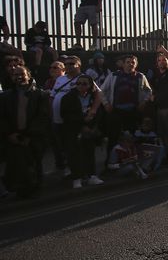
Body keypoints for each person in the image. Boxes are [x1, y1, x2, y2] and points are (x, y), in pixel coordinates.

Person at [0, 66, 49, 198]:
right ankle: (19, 189)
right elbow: (2, 117)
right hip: (13, 136)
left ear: (28, 75)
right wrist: (10, 134)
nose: (19, 77)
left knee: (34, 162)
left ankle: (35, 190)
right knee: (15, 164)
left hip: (34, 137)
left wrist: (29, 135)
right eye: (15, 75)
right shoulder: (5, 96)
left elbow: (43, 116)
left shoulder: (40, 94)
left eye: (22, 74)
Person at [51, 56, 102, 176]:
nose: (68, 66)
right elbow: (52, 96)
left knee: (78, 147)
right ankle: (69, 167)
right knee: (63, 145)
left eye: (71, 64)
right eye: (66, 64)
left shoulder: (84, 79)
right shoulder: (60, 79)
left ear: (78, 65)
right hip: (58, 119)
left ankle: (83, 171)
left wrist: (93, 110)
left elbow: (98, 93)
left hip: (75, 120)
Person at [100, 55, 152, 162]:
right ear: (123, 64)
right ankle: (110, 163)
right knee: (113, 138)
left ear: (136, 64)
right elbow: (102, 91)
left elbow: (148, 91)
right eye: (128, 62)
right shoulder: (113, 75)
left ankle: (132, 161)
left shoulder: (140, 76)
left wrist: (144, 102)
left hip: (133, 112)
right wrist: (106, 104)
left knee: (132, 138)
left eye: (133, 62)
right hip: (116, 111)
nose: (130, 64)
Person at [60, 74, 104, 188]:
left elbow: (98, 113)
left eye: (84, 83)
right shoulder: (68, 97)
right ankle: (77, 178)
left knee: (89, 152)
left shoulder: (94, 98)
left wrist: (92, 126)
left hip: (89, 130)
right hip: (73, 130)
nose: (80, 86)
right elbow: (65, 115)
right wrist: (82, 123)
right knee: (74, 155)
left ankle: (92, 176)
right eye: (78, 83)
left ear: (90, 85)